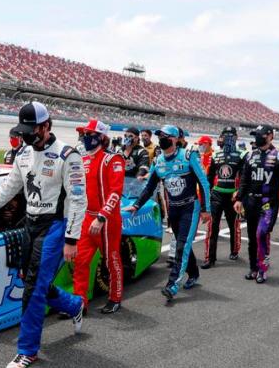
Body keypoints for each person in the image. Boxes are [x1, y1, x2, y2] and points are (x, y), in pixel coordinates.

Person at [0, 102, 86, 368]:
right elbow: (9, 187)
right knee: (29, 279)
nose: (26, 136)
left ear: (46, 126)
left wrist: (71, 239)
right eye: (23, 131)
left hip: (55, 227)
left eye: (31, 130)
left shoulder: (68, 155)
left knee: (32, 288)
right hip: (29, 225)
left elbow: (79, 201)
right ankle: (75, 304)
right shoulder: (22, 153)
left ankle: (27, 350)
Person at [127, 124, 211, 305]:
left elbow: (203, 183)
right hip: (173, 209)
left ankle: (172, 284)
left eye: (164, 136)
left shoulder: (189, 156)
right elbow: (149, 187)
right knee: (184, 243)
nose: (161, 138)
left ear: (174, 139)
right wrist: (136, 205)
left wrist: (206, 209)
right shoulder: (158, 161)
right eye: (159, 136)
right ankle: (194, 273)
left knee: (181, 245)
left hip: (190, 208)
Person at [72, 119, 126, 314]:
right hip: (86, 217)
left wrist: (102, 216)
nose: (84, 138)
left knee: (111, 260)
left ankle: (115, 297)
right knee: (80, 261)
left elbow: (116, 191)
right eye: (83, 134)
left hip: (107, 220)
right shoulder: (83, 160)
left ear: (101, 137)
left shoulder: (113, 159)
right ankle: (79, 303)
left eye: (88, 134)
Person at [233, 125, 279, 283]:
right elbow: (244, 180)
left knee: (261, 234)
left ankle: (262, 269)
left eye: (260, 135)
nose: (257, 138)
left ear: (270, 136)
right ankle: (253, 268)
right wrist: (239, 198)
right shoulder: (250, 154)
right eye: (256, 135)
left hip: (268, 203)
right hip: (251, 202)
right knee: (252, 237)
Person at [202, 127, 243, 268]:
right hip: (217, 194)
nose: (228, 138)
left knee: (234, 226)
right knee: (213, 227)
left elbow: (243, 178)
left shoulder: (241, 155)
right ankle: (210, 258)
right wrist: (208, 193)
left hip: (232, 196)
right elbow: (209, 176)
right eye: (225, 135)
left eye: (231, 136)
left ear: (236, 137)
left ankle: (234, 250)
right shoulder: (215, 155)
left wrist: (239, 194)